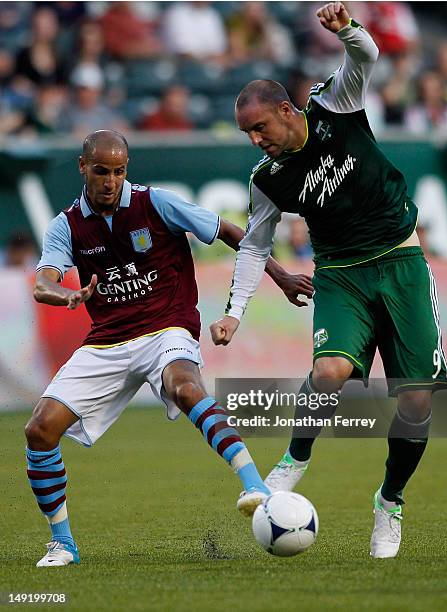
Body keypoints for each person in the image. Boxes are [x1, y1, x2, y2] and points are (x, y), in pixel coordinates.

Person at [210, 2, 447, 560]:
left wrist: (346, 29)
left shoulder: (333, 105)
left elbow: (367, 56)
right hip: (341, 274)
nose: (256, 141)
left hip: (402, 261)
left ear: (287, 111)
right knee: (329, 371)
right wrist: (233, 313)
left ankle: (389, 504)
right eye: (247, 133)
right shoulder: (267, 179)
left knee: (415, 402)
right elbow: (254, 245)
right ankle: (295, 458)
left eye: (260, 128)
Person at [25, 129, 313, 567]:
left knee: (185, 385)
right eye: (101, 171)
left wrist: (282, 275)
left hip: (167, 327)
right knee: (39, 430)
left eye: (119, 171)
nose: (110, 181)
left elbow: (231, 232)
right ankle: (63, 543)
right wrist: (61, 294)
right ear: (84, 168)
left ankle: (254, 484)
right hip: (108, 339)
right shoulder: (66, 225)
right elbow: (43, 279)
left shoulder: (155, 202)